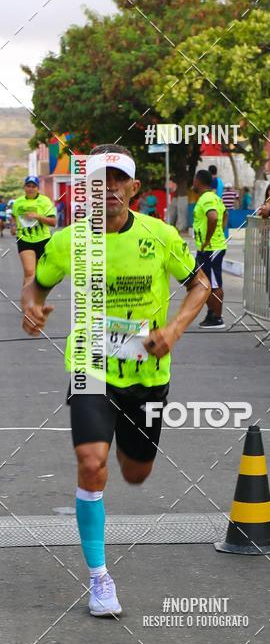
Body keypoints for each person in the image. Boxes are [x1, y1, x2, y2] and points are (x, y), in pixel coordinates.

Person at [21, 144, 210, 617]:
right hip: (91, 366)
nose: (107, 189)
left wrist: (174, 329)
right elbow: (38, 282)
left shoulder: (160, 235)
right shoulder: (68, 241)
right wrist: (33, 304)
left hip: (148, 375)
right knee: (91, 462)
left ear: (132, 189)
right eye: (98, 180)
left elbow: (201, 285)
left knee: (136, 472)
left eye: (117, 180)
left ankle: (129, 451)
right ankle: (99, 578)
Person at [193, 169, 228, 329]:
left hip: (211, 247)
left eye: (194, 180)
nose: (193, 183)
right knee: (205, 282)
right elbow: (225, 214)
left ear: (198, 181)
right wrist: (220, 230)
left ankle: (217, 317)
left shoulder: (207, 198)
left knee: (214, 283)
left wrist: (209, 239)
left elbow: (213, 217)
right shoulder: (215, 197)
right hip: (208, 247)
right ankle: (211, 313)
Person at [10, 176, 57, 287]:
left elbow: (53, 222)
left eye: (33, 186)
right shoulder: (18, 202)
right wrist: (13, 226)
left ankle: (36, 301)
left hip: (43, 240)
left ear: (38, 188)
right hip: (24, 239)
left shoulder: (45, 201)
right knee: (29, 272)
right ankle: (28, 303)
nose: (30, 189)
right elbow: (13, 216)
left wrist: (38, 217)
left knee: (40, 275)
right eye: (28, 186)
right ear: (24, 187)